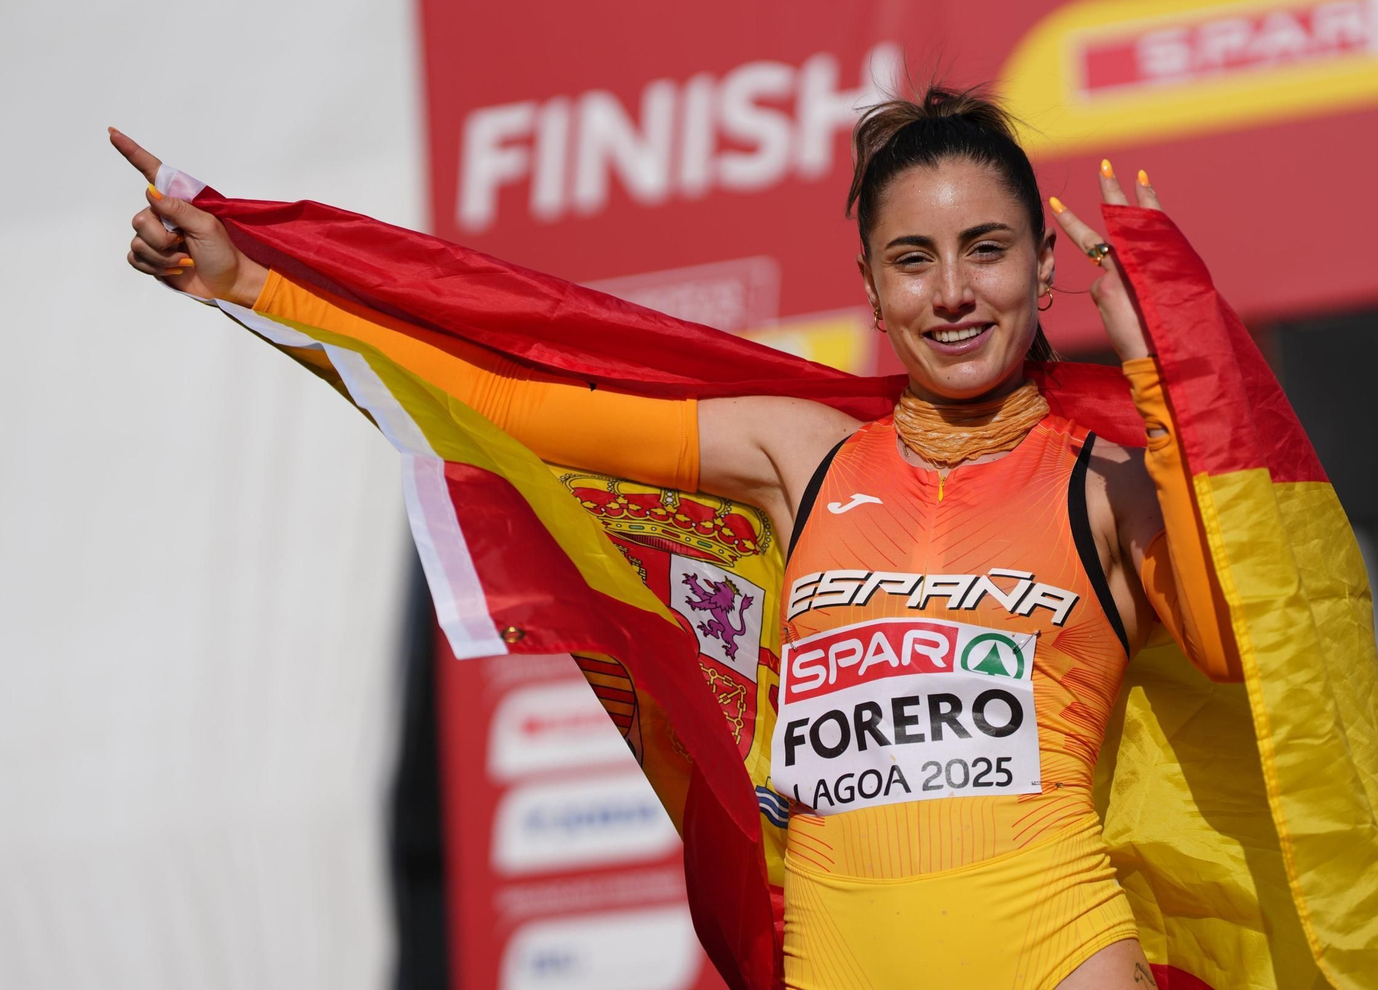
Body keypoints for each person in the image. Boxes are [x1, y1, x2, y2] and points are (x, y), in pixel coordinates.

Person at [111, 87, 1266, 990]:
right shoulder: (799, 455)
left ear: (1045, 267)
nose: (952, 291)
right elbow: (512, 405)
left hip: (1057, 950)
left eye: (986, 249)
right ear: (869, 286)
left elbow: (1226, 645)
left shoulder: (1108, 484)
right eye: (912, 259)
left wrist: (1166, 396)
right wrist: (261, 286)